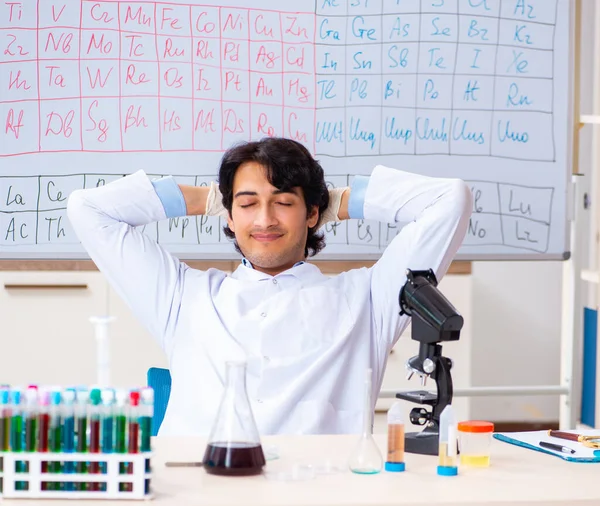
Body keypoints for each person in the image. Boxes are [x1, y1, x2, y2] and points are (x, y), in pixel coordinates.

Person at [67, 137, 472, 436]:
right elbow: (88, 209)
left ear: (313, 213)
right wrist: (210, 198)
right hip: (199, 491)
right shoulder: (183, 296)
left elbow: (449, 200)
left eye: (283, 202)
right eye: (246, 204)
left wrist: (339, 201)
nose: (264, 220)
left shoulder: (369, 298)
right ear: (228, 216)